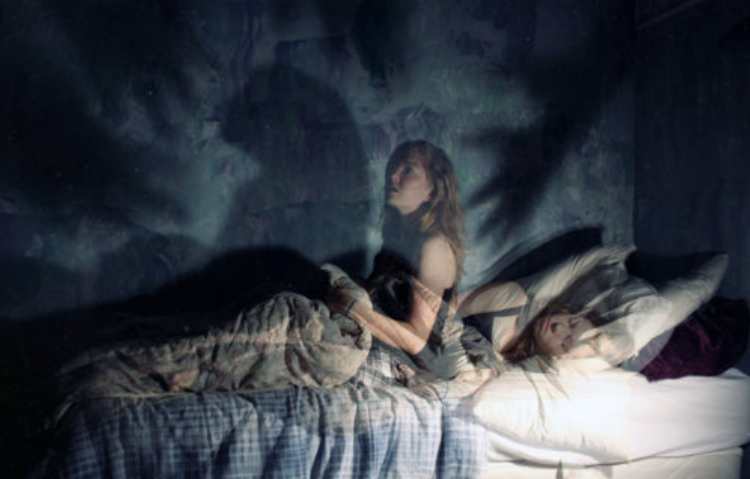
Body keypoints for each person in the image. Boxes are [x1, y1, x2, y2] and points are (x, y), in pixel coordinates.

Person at [328, 139, 476, 380]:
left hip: (422, 360)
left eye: (408, 170)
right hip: (387, 341)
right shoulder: (398, 237)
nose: (393, 177)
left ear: (432, 191)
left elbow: (419, 342)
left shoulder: (435, 247)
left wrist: (352, 308)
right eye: (393, 168)